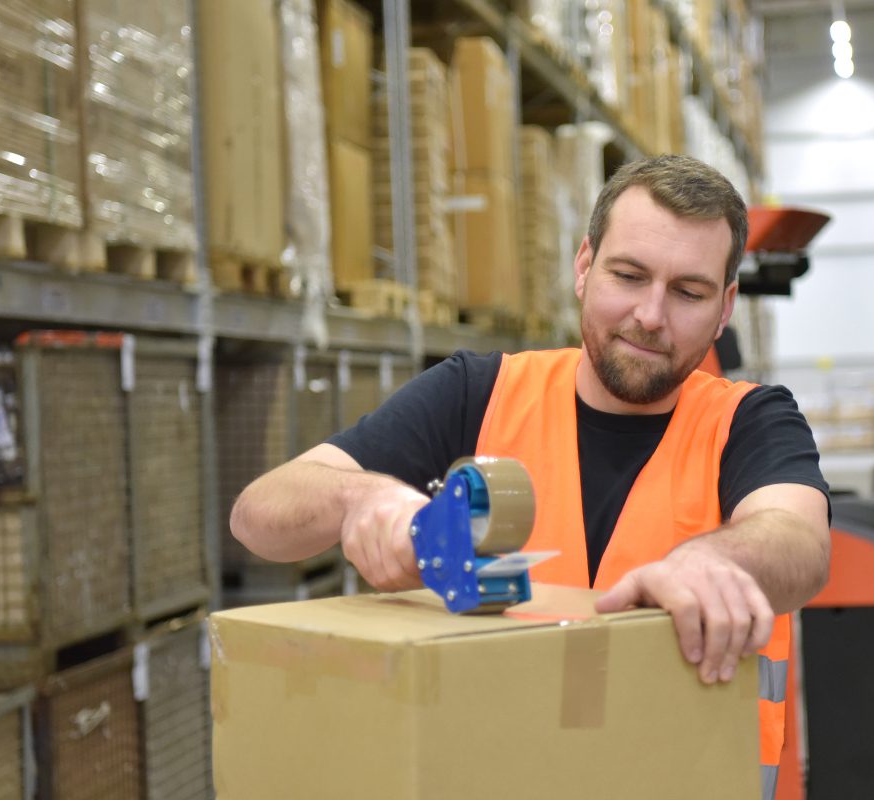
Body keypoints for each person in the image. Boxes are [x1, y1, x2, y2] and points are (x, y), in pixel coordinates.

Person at [231, 155, 830, 798]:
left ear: (724, 308)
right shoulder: (477, 394)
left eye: (688, 292)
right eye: (628, 276)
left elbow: (798, 540)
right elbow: (256, 517)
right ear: (583, 266)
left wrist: (716, 561)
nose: (651, 315)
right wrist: (363, 496)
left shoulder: (749, 421)